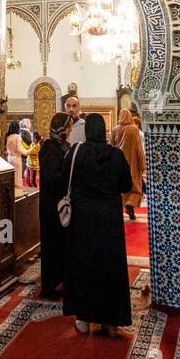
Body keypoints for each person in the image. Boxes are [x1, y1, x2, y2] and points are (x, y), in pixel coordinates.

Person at [63, 112, 132, 335]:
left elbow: (65, 180)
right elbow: (126, 184)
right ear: (103, 131)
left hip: (83, 220)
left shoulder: (76, 153)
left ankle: (83, 320)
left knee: (84, 265)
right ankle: (111, 323)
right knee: (109, 267)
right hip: (109, 220)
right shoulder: (116, 155)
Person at [38, 111, 71, 298]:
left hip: (59, 205)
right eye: (68, 126)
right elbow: (52, 179)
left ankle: (61, 280)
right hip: (51, 207)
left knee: (61, 245)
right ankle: (48, 287)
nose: (71, 129)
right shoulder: (50, 149)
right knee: (51, 246)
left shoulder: (61, 146)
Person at [112, 108, 146, 220]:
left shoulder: (115, 129)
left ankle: (120, 208)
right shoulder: (134, 130)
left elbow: (111, 147)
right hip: (132, 164)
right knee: (134, 187)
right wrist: (143, 165)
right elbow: (138, 148)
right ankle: (130, 205)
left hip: (117, 164)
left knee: (120, 187)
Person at [4, 121, 28, 191]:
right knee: (17, 180)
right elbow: (19, 149)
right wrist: (28, 152)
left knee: (12, 179)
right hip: (16, 159)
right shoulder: (17, 137)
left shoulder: (8, 136)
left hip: (9, 159)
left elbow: (6, 149)